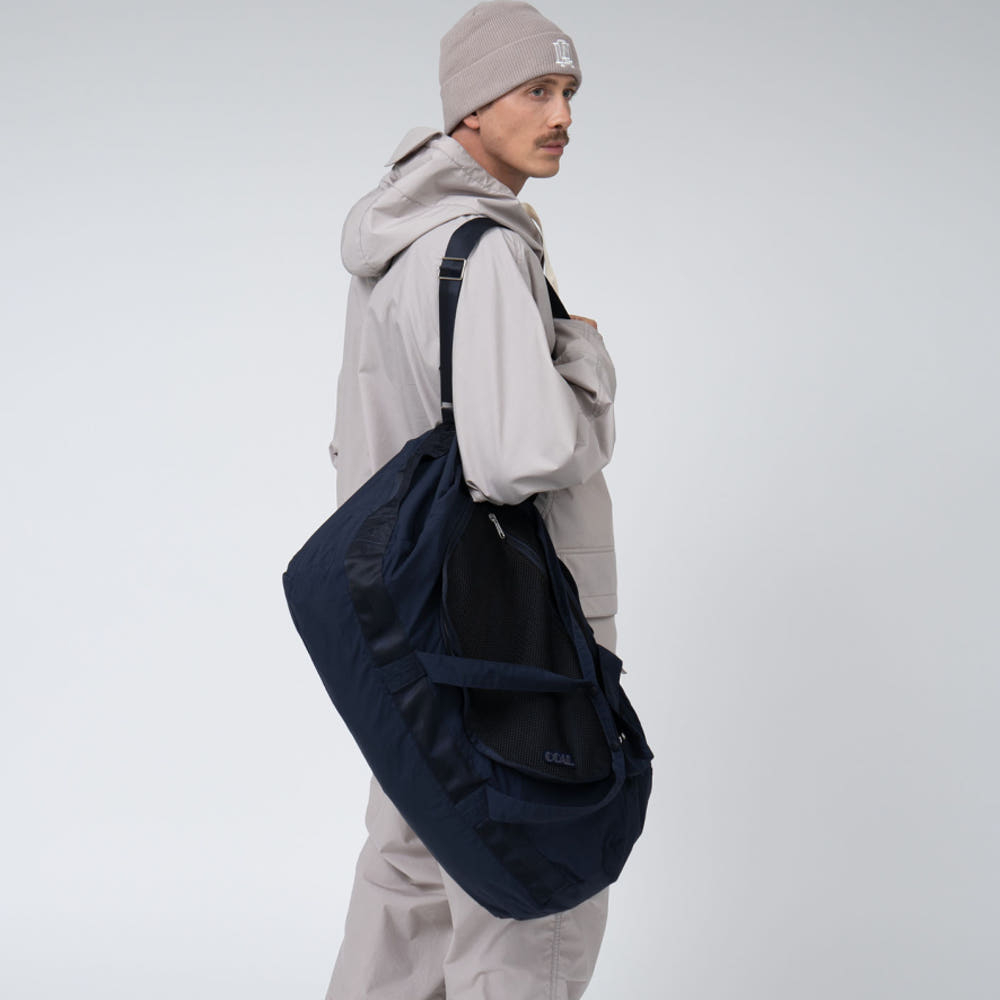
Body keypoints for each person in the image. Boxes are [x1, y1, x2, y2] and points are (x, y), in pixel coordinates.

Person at [326, 3, 619, 997]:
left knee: (409, 870)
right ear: (472, 109)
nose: (561, 115)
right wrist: (585, 362)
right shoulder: (483, 250)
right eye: (536, 90)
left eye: (568, 92)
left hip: (408, 612)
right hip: (510, 631)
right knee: (533, 884)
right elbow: (518, 458)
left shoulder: (399, 243)